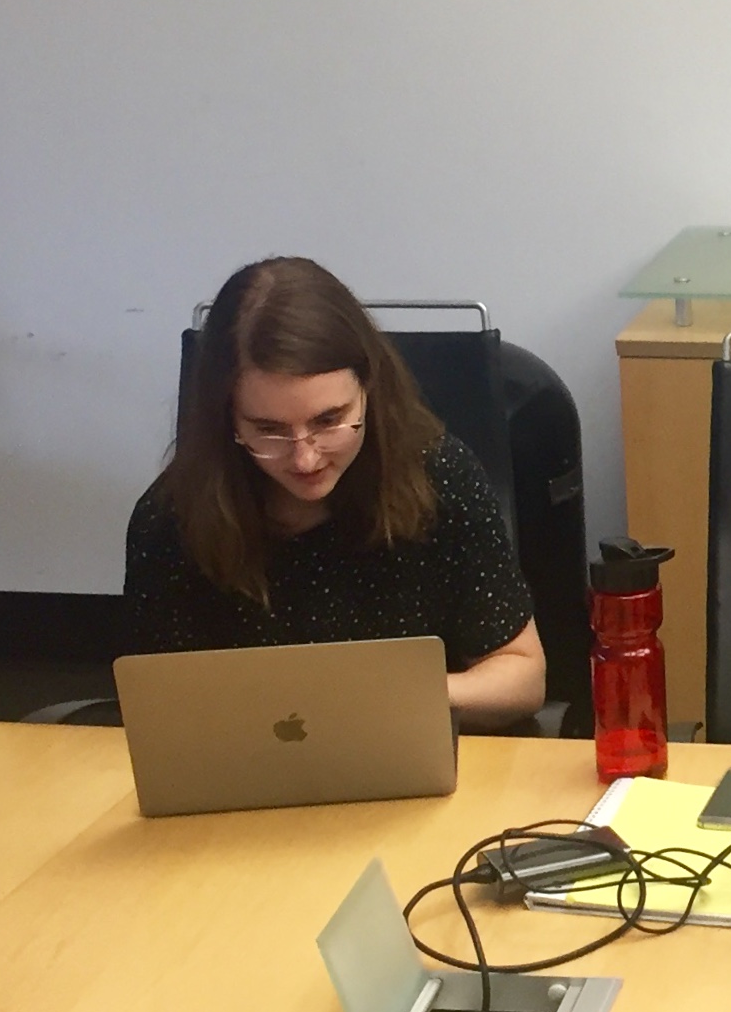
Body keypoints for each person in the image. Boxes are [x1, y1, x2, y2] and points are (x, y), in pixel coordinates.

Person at [123, 257, 543, 727]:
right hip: (246, 777)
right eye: (268, 430)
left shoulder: (440, 477)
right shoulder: (171, 517)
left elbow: (523, 676)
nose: (305, 459)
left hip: (408, 749)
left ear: (368, 390)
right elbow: (156, 706)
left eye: (329, 421)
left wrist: (398, 696)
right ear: (228, 420)